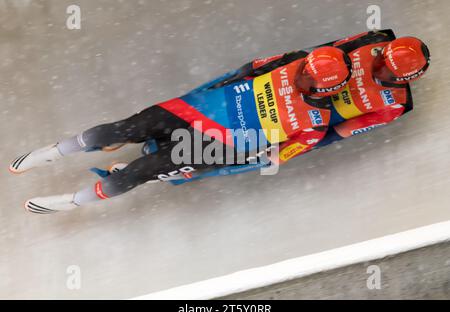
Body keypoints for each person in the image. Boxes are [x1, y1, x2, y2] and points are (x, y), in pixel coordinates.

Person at [9, 46, 352, 213]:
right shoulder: (290, 62)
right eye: (304, 68)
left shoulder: (315, 124)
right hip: (195, 108)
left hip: (215, 146)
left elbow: (273, 158)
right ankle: (55, 152)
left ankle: (75, 201)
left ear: (321, 89)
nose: (300, 74)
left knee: (133, 175)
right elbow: (242, 71)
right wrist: (204, 92)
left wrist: (221, 167)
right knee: (112, 131)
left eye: (307, 77)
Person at [315, 30, 430, 147]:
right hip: (311, 82)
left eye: (387, 71)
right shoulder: (373, 39)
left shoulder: (395, 105)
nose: (379, 68)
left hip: (318, 117)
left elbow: (347, 129)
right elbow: (325, 53)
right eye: (381, 60)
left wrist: (315, 143)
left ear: (401, 79)